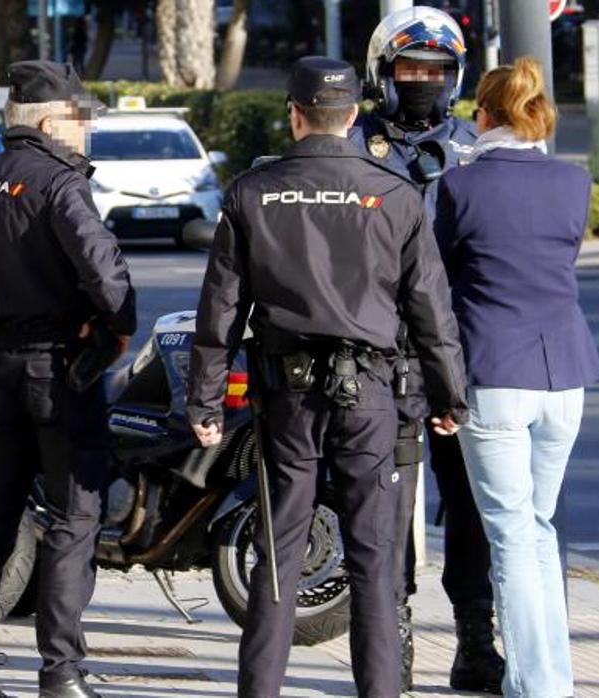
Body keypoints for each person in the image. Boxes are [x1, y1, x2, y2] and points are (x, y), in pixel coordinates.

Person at [188, 56, 468, 698]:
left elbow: (221, 310)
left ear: (294, 114)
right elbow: (431, 307)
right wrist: (450, 393)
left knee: (280, 552)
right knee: (374, 559)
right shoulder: (393, 193)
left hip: (288, 397)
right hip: (372, 395)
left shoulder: (253, 193)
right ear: (351, 118)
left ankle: (259, 689)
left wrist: (204, 400)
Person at [0, 60, 135, 698]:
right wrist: (117, 327)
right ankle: (62, 674)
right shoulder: (59, 184)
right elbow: (106, 276)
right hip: (58, 371)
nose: (89, 132)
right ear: (50, 123)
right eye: (83, 120)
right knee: (75, 520)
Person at [435, 57, 599, 698]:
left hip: (495, 373)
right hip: (565, 373)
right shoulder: (572, 182)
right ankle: (551, 677)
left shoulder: (461, 185)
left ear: (483, 114)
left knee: (510, 536)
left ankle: (537, 686)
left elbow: (441, 284)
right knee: (538, 529)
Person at [349, 7, 503, 692]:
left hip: (457, 358)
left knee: (468, 505)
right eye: (410, 69)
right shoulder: (351, 145)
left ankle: (475, 641)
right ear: (384, 73)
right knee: (384, 510)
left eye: (436, 72)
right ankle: (394, 641)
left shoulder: (477, 148)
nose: (422, 82)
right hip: (378, 357)